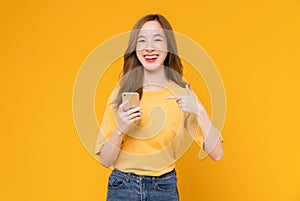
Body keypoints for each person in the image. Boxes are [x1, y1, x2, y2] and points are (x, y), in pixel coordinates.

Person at [95, 14, 224, 201]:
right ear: (135, 47)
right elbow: (105, 160)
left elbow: (217, 153)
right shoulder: (122, 92)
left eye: (157, 40)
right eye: (142, 41)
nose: (149, 48)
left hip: (164, 188)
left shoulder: (181, 92)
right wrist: (120, 129)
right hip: (122, 186)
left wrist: (199, 110)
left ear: (168, 47)